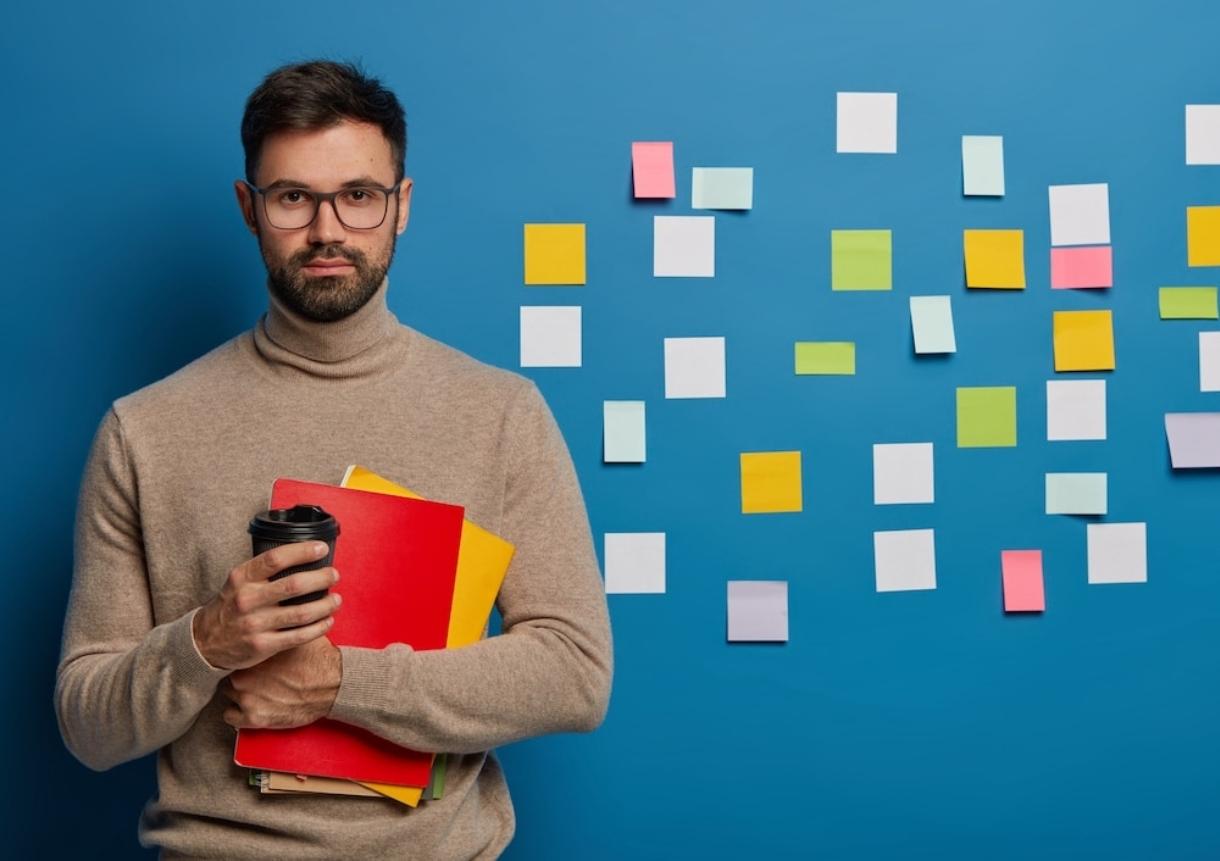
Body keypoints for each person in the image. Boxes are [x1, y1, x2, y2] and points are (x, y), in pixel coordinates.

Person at [54, 59, 613, 860]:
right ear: (249, 209)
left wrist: (343, 683)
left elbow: (576, 672)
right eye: (293, 198)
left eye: (358, 196)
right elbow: (86, 725)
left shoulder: (501, 414)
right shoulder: (142, 430)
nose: (327, 231)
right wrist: (206, 641)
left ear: (401, 206)